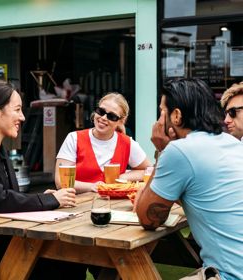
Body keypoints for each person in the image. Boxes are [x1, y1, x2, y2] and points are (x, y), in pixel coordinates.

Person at [0, 80, 79, 280]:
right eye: (17, 110)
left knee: (71, 263)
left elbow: (10, 196)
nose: (23, 117)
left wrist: (42, 197)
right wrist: (51, 201)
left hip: (5, 242)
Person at [136, 78, 243, 280]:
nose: (159, 120)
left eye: (162, 111)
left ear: (176, 116)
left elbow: (148, 219)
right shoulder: (232, 142)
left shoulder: (179, 151)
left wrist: (162, 151)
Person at [55, 92, 151, 193]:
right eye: (101, 111)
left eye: (112, 116)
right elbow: (60, 181)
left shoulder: (127, 143)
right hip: (77, 203)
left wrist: (124, 177)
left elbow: (150, 171)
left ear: (121, 121)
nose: (104, 118)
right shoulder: (74, 138)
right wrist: (91, 187)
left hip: (114, 204)